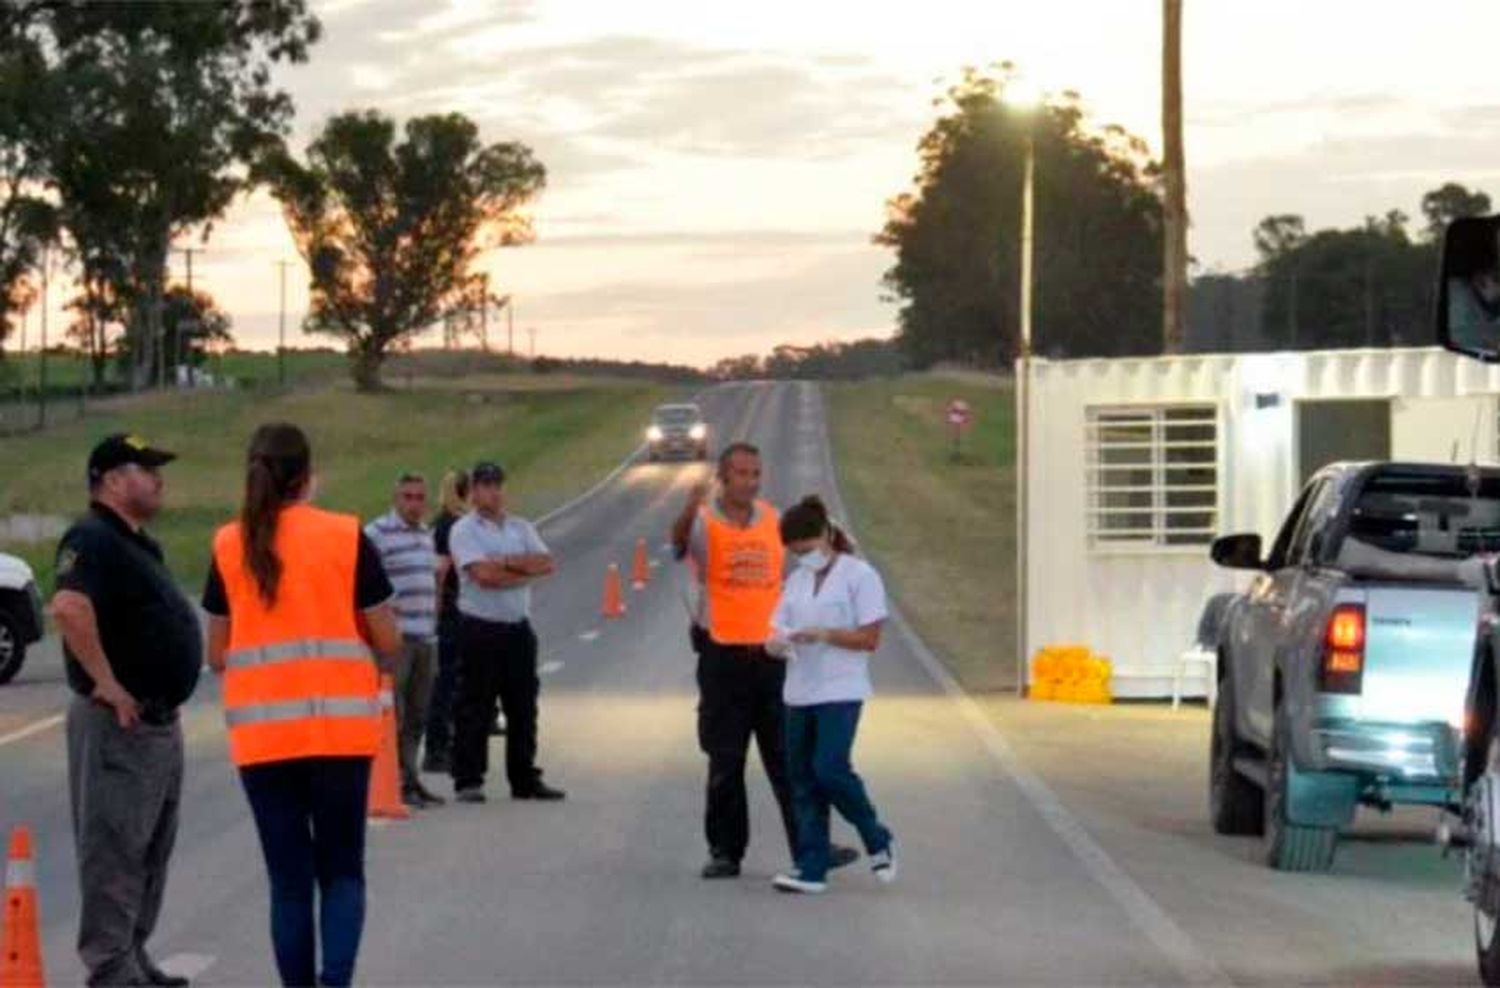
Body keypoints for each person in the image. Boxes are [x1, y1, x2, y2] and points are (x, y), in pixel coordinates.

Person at [201, 423, 402, 988]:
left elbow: (217, 652)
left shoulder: (227, 544)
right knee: (341, 873)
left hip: (264, 743)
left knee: (288, 882)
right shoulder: (346, 536)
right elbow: (387, 640)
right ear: (308, 476)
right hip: (339, 737)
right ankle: (335, 980)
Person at [51, 434, 202, 987]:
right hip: (119, 724)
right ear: (112, 480)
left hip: (157, 723)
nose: (158, 480)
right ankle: (110, 967)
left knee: (150, 848)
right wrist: (108, 683)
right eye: (146, 469)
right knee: (114, 848)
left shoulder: (139, 545)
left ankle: (133, 956)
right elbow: (68, 607)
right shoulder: (91, 538)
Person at [669, 443, 857, 880]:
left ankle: (812, 847)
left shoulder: (774, 520)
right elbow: (679, 545)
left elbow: (817, 549)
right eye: (741, 473)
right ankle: (725, 851)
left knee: (791, 759)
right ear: (723, 477)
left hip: (773, 657)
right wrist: (689, 505)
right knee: (726, 759)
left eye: (756, 473)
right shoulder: (704, 521)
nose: (750, 481)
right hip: (722, 656)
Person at [766, 496, 897, 894]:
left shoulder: (860, 576)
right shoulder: (798, 581)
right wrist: (776, 643)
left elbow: (870, 638)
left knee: (830, 768)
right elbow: (777, 624)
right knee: (800, 778)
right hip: (799, 690)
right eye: (795, 554)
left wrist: (825, 634)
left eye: (806, 551)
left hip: (840, 689)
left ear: (825, 536)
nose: (802, 559)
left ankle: (874, 833)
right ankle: (811, 866)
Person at [447, 460, 564, 803]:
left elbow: (546, 563)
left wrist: (505, 564)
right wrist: (519, 568)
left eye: (497, 484)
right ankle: (469, 778)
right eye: (485, 485)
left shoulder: (520, 527)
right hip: (480, 628)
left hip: (517, 629)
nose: (493, 492)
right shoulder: (465, 530)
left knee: (523, 706)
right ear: (473, 492)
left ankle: (524, 777)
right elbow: (483, 576)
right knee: (476, 705)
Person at [365, 473, 445, 808]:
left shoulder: (426, 535)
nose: (414, 503)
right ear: (396, 499)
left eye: (419, 497)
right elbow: (367, 585)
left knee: (418, 714)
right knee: (392, 715)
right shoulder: (377, 534)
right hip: (395, 641)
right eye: (407, 497)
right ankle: (392, 780)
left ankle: (410, 777)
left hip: (425, 636)